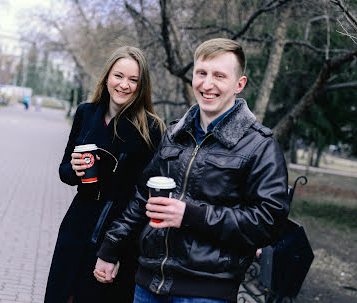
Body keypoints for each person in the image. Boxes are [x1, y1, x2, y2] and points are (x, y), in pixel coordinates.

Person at [94, 38, 290, 303]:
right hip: (148, 286)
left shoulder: (260, 145)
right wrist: (111, 249)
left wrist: (191, 215)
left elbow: (269, 223)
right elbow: (143, 196)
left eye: (219, 76)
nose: (207, 84)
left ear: (239, 84)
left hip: (207, 292)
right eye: (202, 73)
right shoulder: (175, 134)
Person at [44, 46, 165, 303]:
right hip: (76, 224)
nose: (124, 85)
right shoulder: (86, 113)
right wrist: (75, 170)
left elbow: (141, 197)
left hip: (115, 233)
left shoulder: (150, 128)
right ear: (107, 76)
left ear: (141, 86)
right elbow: (64, 171)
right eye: (118, 76)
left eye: (133, 80)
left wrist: (116, 250)